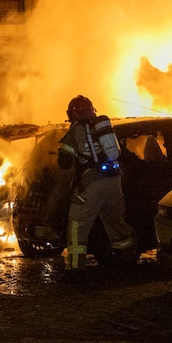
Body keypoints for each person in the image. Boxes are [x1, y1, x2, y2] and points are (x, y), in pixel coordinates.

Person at [57, 95, 135, 279]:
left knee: (78, 224)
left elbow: (64, 163)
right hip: (113, 180)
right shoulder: (103, 127)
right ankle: (127, 260)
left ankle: (75, 270)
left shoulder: (75, 131)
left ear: (72, 114)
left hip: (92, 183)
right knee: (115, 220)